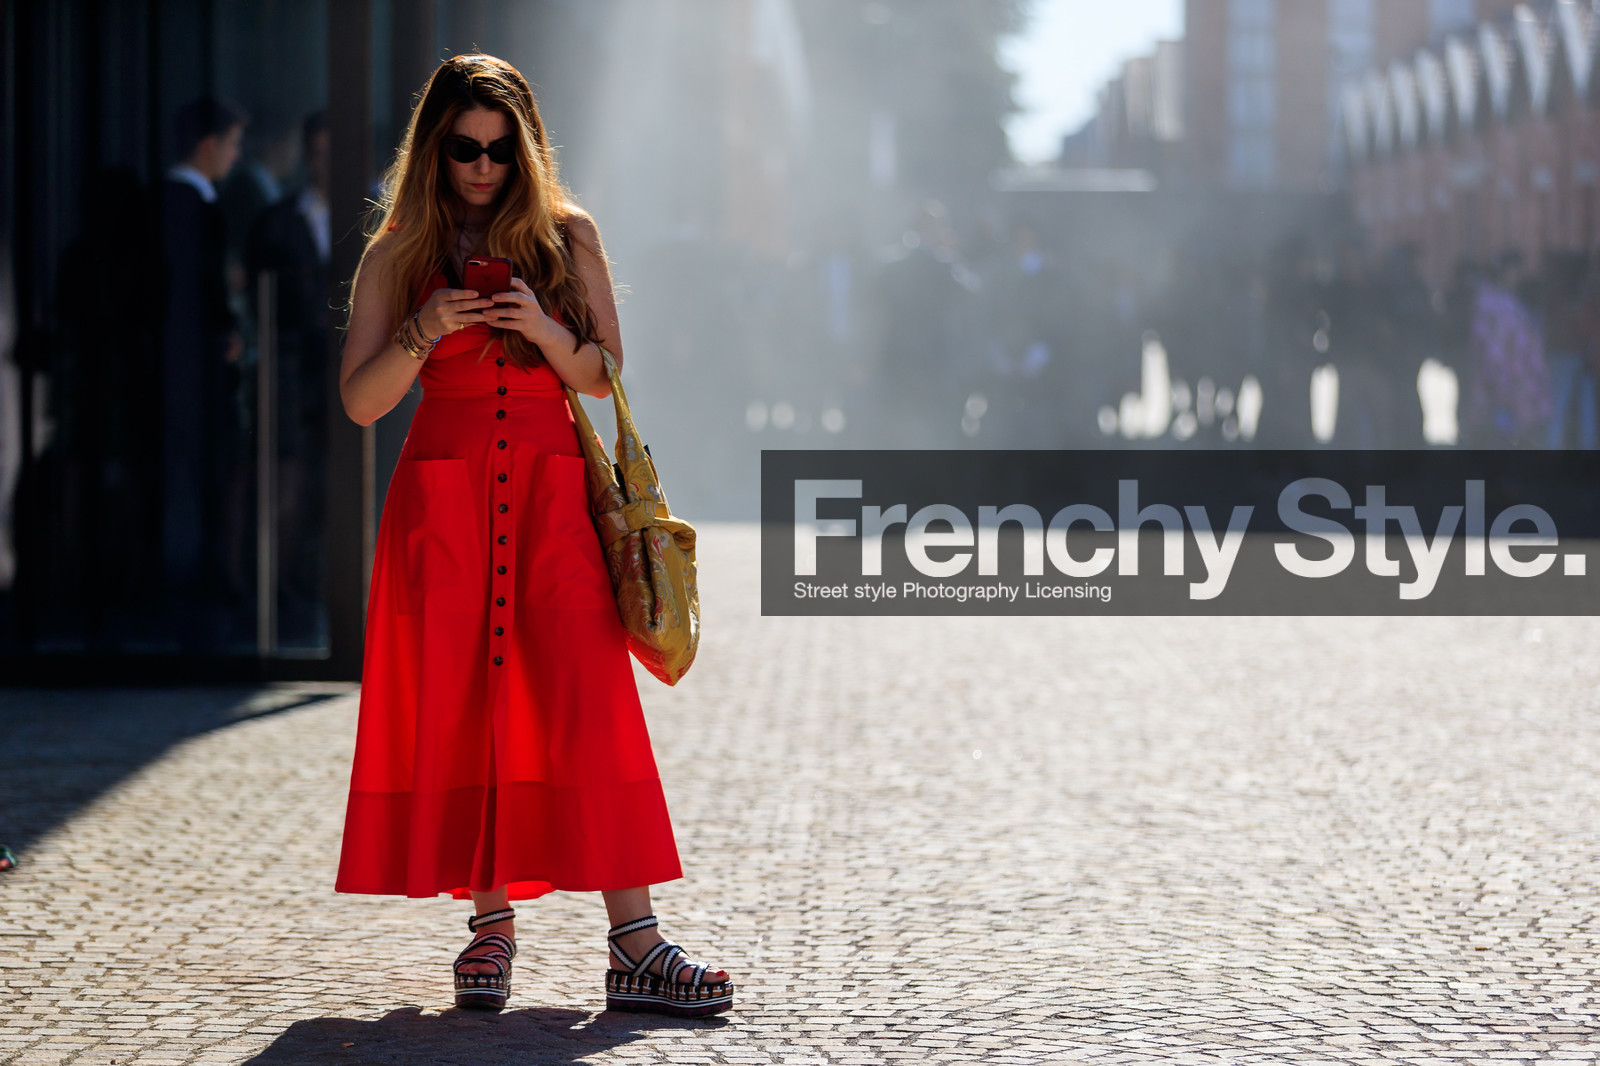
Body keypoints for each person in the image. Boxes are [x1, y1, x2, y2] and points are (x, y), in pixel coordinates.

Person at [333, 54, 732, 1018]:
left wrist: (545, 330)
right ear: (435, 147)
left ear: (527, 151)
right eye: (465, 149)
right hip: (446, 499)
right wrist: (426, 327)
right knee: (468, 700)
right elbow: (359, 401)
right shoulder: (396, 253)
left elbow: (603, 375)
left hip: (552, 496)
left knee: (587, 696)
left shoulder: (565, 233)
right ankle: (490, 925)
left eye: (502, 152)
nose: (482, 168)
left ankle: (634, 940)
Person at [159, 96, 248, 645]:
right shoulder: (200, 207)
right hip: (195, 371)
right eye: (234, 145)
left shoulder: (156, 202)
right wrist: (226, 334)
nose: (235, 158)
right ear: (210, 145)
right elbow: (202, 289)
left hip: (164, 368)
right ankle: (204, 583)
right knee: (207, 475)